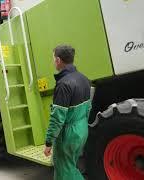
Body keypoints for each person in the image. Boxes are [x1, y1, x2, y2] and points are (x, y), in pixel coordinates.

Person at [44, 45, 91, 180]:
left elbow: (57, 119)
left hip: (68, 135)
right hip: (82, 129)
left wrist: (48, 142)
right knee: (70, 167)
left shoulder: (63, 85)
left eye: (53, 58)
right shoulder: (84, 79)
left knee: (64, 172)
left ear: (58, 60)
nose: (53, 61)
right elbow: (89, 107)